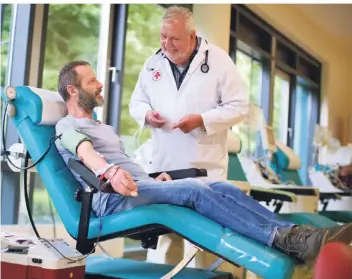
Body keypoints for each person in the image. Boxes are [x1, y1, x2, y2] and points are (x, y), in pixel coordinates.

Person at [55, 61, 352, 265]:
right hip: (114, 199)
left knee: (219, 185)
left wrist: (150, 178)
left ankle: (295, 236)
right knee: (195, 192)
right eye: (92, 80)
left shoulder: (104, 128)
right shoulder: (66, 126)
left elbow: (125, 164)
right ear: (72, 90)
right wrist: (107, 170)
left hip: (139, 185)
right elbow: (83, 152)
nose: (99, 84)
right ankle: (283, 239)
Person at [129, 6, 248, 180]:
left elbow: (239, 107)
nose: (167, 44)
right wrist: (147, 115)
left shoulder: (219, 61)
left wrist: (201, 120)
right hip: (162, 170)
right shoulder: (152, 63)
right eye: (163, 36)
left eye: (175, 39)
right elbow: (136, 102)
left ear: (192, 36)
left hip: (204, 172)